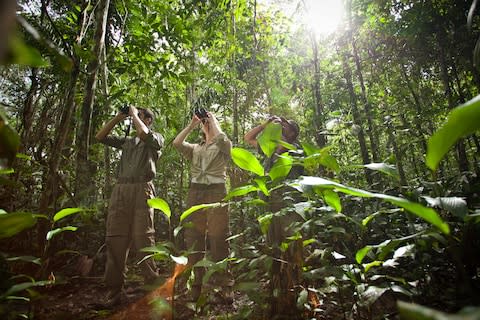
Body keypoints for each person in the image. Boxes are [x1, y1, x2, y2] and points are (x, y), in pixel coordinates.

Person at [95, 105, 164, 307]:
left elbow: (144, 133)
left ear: (148, 120)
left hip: (142, 189)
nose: (135, 119)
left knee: (144, 238)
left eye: (141, 116)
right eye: (136, 115)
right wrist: (119, 116)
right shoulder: (127, 142)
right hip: (121, 190)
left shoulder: (155, 138)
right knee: (115, 237)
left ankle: (153, 288)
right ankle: (114, 291)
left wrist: (134, 114)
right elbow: (100, 136)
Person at [244, 115, 303, 319]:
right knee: (273, 244)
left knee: (291, 245)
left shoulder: (296, 148)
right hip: (269, 205)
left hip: (288, 206)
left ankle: (294, 291)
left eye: (285, 124)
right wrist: (264, 125)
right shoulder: (269, 148)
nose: (280, 125)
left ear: (292, 132)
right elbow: (248, 138)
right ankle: (275, 289)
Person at [173, 110, 233, 303]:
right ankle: (197, 286)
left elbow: (223, 139)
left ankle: (225, 286)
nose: (206, 124)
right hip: (195, 191)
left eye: (208, 122)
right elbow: (176, 143)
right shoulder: (195, 149)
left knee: (218, 238)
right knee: (194, 238)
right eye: (204, 123)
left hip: (216, 191)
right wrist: (192, 124)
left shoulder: (222, 146)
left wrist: (213, 119)